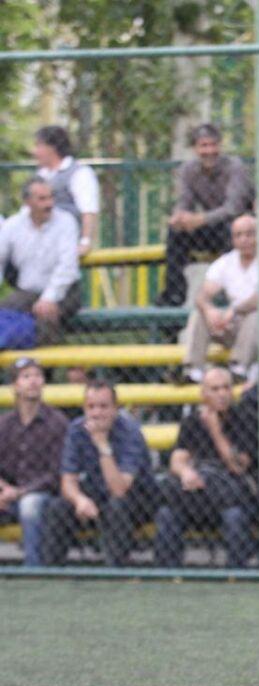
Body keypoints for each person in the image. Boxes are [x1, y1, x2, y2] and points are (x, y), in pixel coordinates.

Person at [41, 380, 159, 567]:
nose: (96, 413)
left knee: (116, 506)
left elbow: (119, 489)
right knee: (57, 507)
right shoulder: (77, 429)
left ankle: (115, 571)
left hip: (136, 500)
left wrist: (102, 445)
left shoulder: (130, 431)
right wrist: (79, 500)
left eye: (103, 406)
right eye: (91, 407)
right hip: (96, 492)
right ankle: (52, 570)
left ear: (115, 408)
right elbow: (68, 480)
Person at [153, 366, 258, 568]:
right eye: (215, 389)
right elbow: (177, 459)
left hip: (232, 497)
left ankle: (236, 574)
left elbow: (238, 467)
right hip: (199, 494)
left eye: (226, 388)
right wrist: (186, 472)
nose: (222, 394)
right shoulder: (192, 421)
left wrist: (215, 430)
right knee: (167, 514)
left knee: (234, 517)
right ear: (203, 394)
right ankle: (167, 574)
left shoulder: (245, 418)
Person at [158, 124, 255, 307]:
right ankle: (174, 294)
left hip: (238, 227)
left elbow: (233, 208)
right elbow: (184, 201)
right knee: (175, 233)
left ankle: (227, 292)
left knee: (232, 229)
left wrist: (200, 219)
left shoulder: (235, 167)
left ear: (220, 145)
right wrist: (179, 217)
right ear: (195, 149)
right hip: (209, 228)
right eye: (204, 146)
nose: (209, 151)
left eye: (213, 145)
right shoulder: (188, 169)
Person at [0, 358, 69, 566]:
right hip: (8, 494)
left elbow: (56, 474)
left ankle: (33, 569)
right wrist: (3, 489)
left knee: (30, 505)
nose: (33, 381)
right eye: (26, 376)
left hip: (43, 496)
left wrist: (19, 492)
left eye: (38, 375)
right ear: (15, 385)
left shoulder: (57, 422)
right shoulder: (4, 424)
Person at [179, 214, 259, 383]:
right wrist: (209, 310)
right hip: (233, 324)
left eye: (249, 234)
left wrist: (235, 310)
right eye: (238, 235)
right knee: (199, 314)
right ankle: (193, 370)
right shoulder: (226, 262)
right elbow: (202, 295)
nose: (244, 240)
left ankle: (239, 368)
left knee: (256, 315)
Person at [0, 177, 81, 343]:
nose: (49, 203)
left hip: (66, 291)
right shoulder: (12, 226)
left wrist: (49, 297)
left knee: (46, 315)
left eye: (51, 197)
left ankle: (47, 358)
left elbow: (67, 266)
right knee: (5, 314)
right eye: (42, 199)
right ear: (27, 202)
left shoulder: (66, 222)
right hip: (27, 292)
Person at [32, 125, 99, 256]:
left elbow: (88, 211)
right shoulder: (40, 176)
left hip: (67, 247)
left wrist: (85, 242)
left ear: (52, 148)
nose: (35, 151)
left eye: (38, 145)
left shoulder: (80, 173)